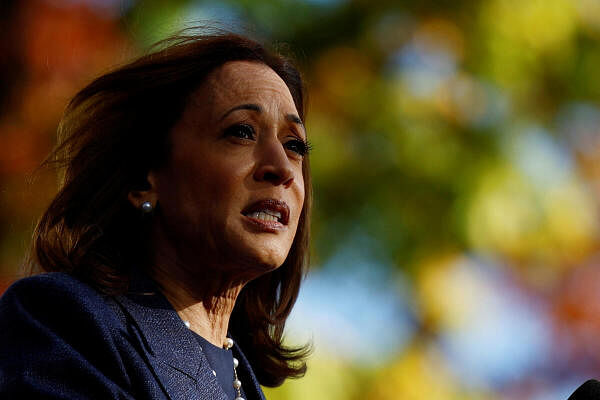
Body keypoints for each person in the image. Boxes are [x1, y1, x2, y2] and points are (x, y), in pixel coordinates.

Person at [0, 29, 312, 400]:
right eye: (242, 132)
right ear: (144, 180)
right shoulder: (66, 321)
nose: (282, 167)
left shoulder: (241, 376)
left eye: (294, 145)